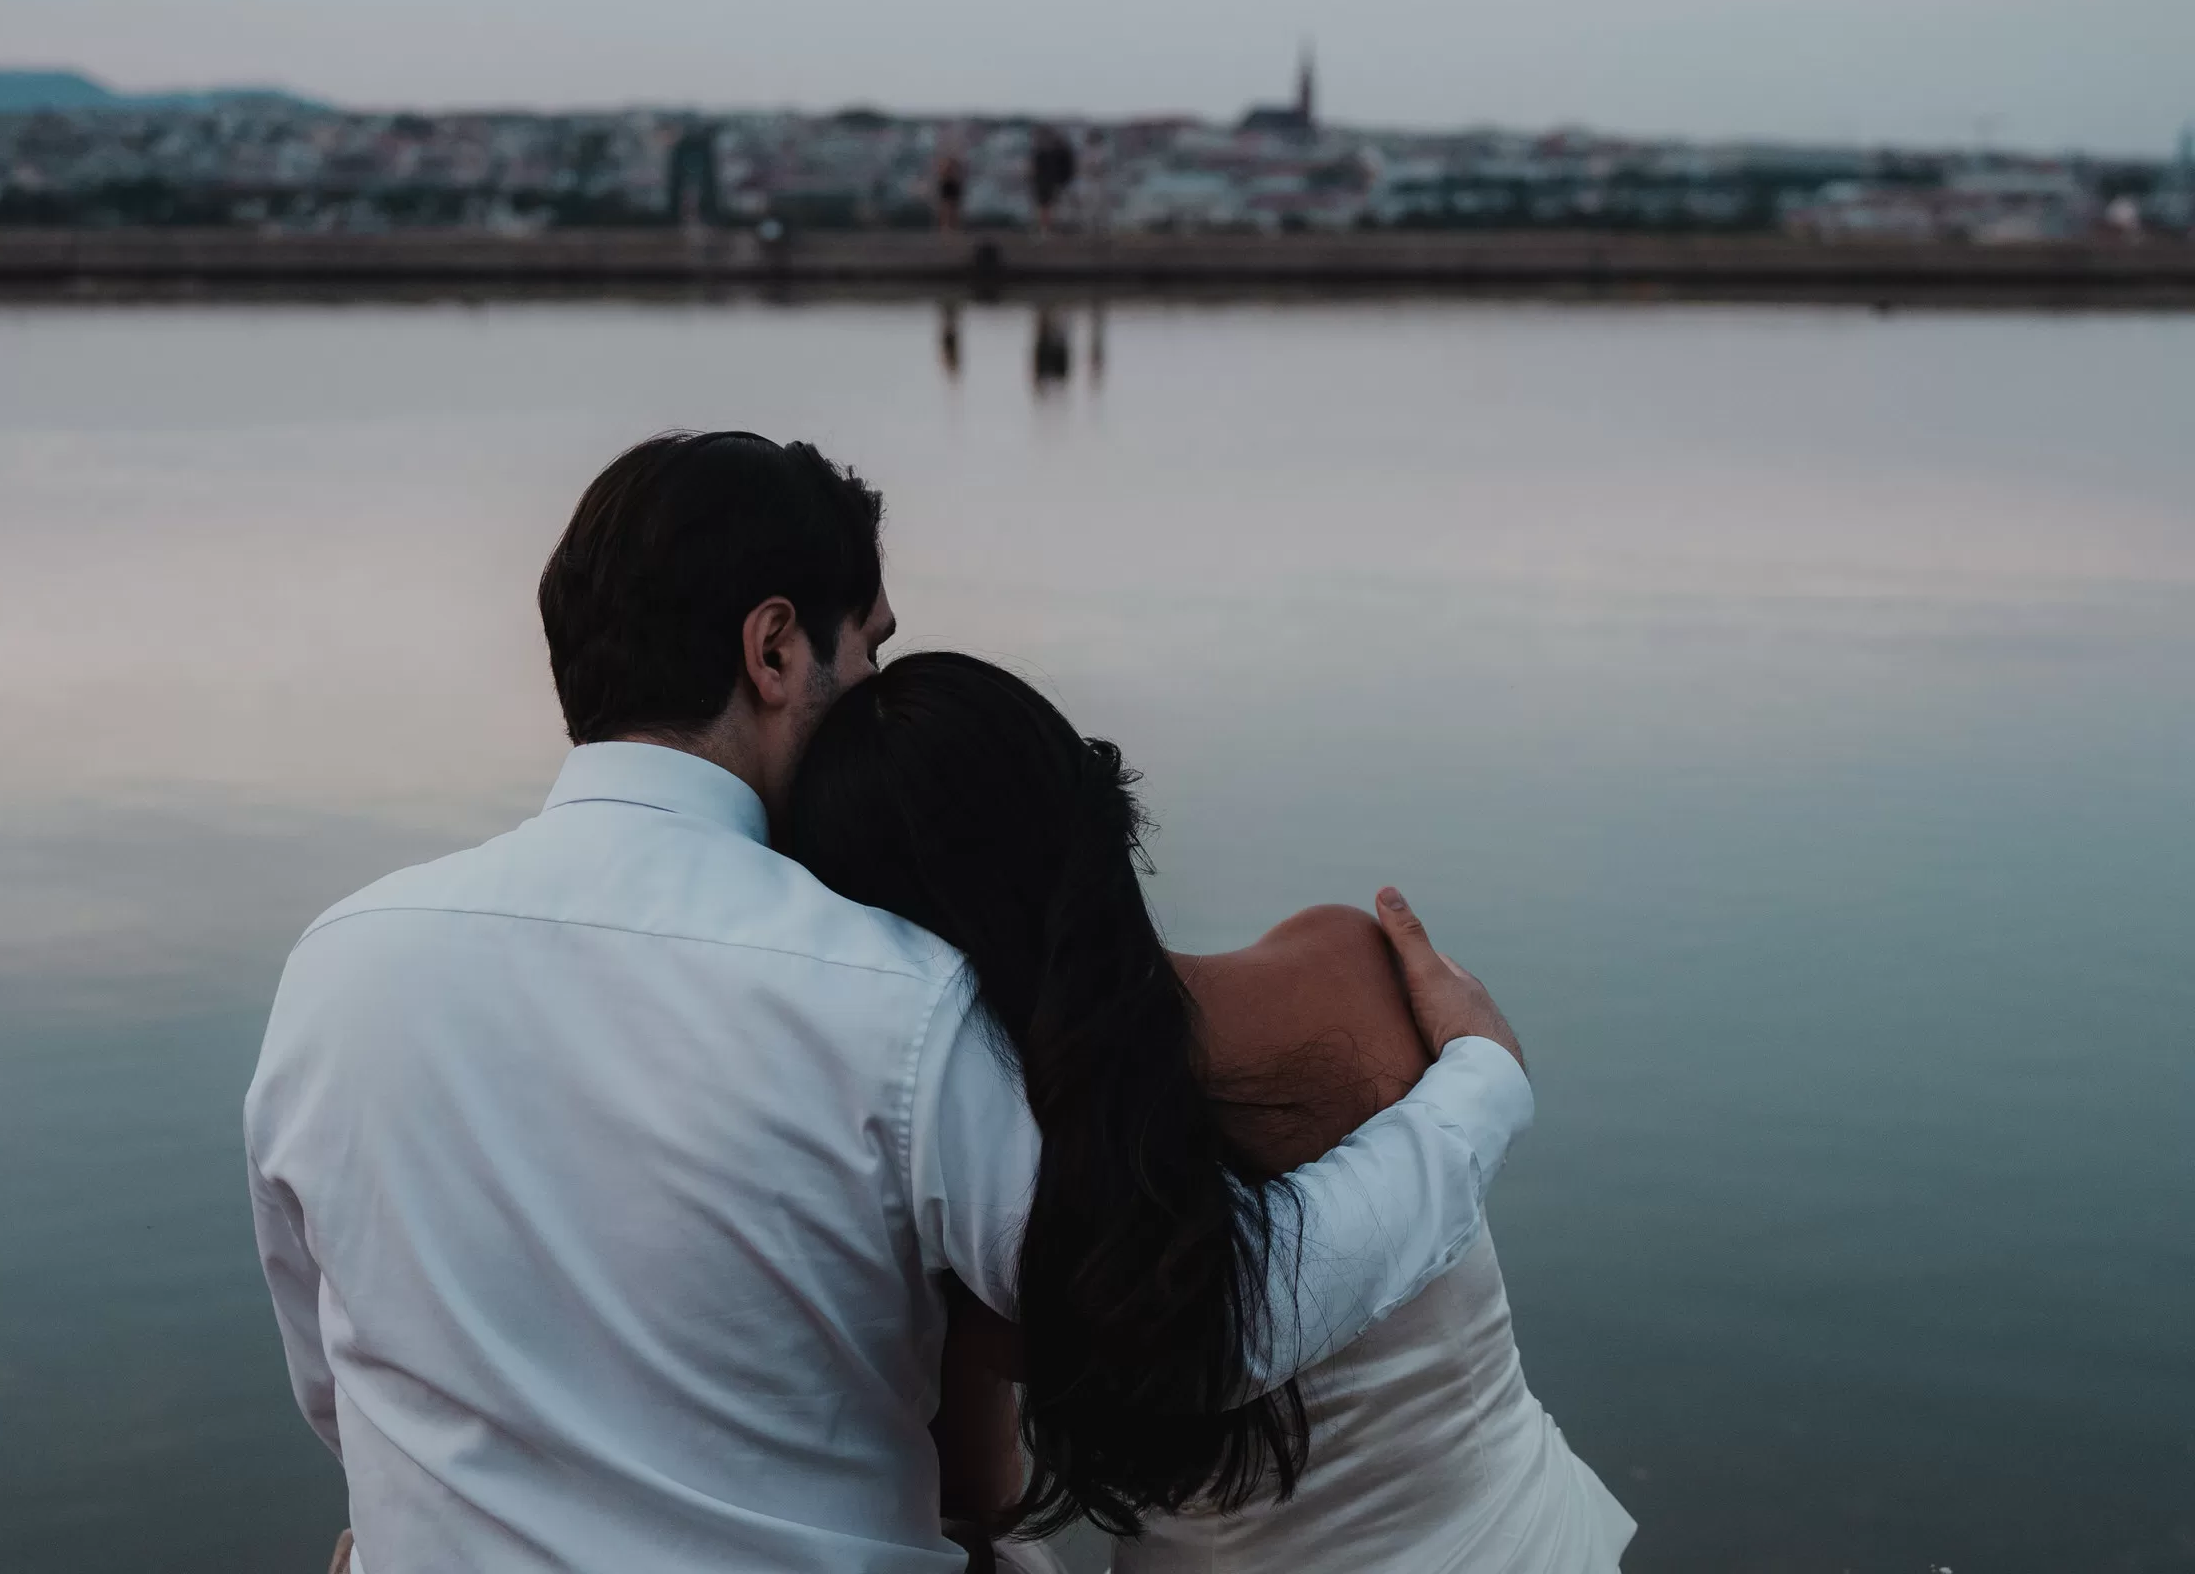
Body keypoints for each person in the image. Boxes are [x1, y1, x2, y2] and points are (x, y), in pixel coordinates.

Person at [244, 431, 1534, 1573]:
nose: (875, 696)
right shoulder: (892, 998)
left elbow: (336, 1390)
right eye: (871, 649)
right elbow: (1193, 1332)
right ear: (773, 646)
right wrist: (1478, 1083)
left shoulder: (339, 961)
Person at [784, 652, 1632, 1571]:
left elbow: (978, 1505)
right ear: (1087, 814)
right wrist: (1485, 1065)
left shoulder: (977, 1194)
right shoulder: (1345, 965)